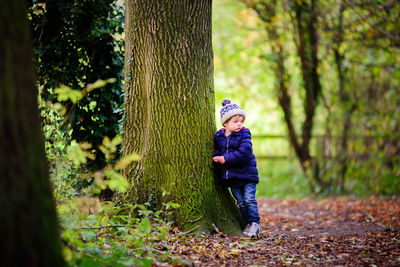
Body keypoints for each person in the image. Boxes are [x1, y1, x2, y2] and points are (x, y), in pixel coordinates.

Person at [213, 99, 261, 237]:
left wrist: (225, 159)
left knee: (249, 200)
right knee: (241, 202)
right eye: (236, 121)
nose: (240, 124)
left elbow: (245, 152)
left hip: (247, 176)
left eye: (241, 121)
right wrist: (217, 157)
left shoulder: (244, 134)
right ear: (225, 123)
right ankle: (247, 224)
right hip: (233, 177)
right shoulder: (219, 136)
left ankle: (254, 224)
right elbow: (218, 150)